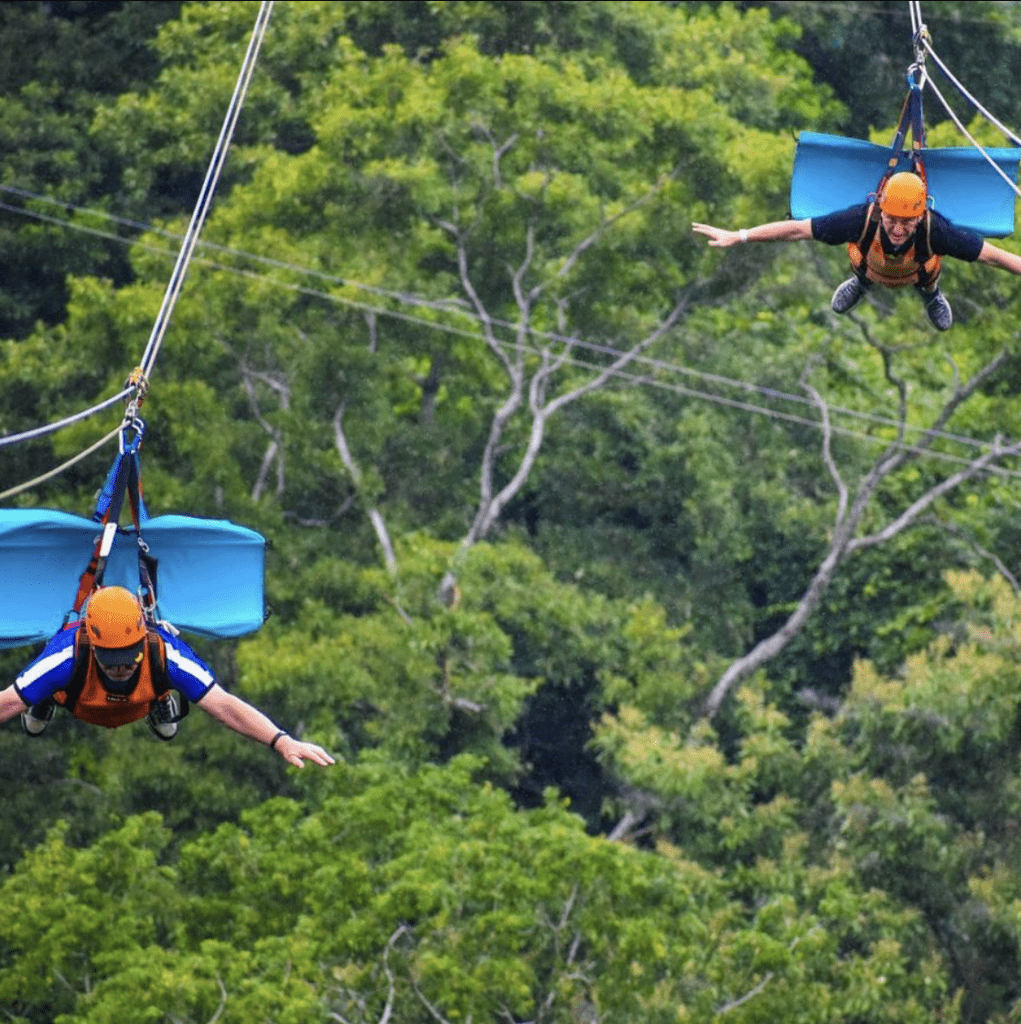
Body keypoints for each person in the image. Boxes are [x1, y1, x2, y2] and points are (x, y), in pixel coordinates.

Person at [0, 586, 335, 769]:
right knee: (32, 698)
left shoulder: (165, 653)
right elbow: (8, 701)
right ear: (92, 642)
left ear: (143, 637)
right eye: (111, 660)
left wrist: (281, 740)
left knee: (165, 700)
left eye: (129, 657)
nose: (121, 667)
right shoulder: (67, 653)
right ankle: (43, 697)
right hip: (77, 701)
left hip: (141, 702)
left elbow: (225, 706)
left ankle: (162, 699)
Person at [692, 171, 1021, 331]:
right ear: (881, 209)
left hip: (917, 272)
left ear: (920, 216)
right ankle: (860, 284)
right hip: (869, 265)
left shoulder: (936, 230)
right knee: (868, 261)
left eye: (907, 223)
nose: (897, 229)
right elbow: (797, 230)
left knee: (925, 271)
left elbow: (992, 256)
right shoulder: (858, 220)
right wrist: (741, 235)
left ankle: (931, 295)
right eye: (892, 219)